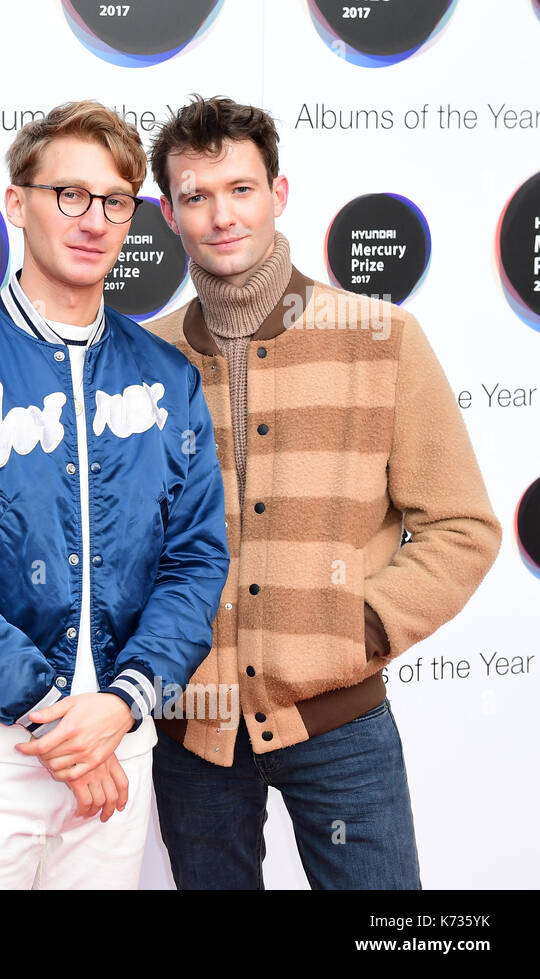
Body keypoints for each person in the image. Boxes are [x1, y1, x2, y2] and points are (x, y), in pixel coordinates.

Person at [145, 95, 502, 889]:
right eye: (196, 196)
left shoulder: (380, 338)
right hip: (193, 731)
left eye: (240, 188)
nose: (221, 215)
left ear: (278, 194)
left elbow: (462, 526)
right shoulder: (146, 356)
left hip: (341, 721)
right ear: (170, 214)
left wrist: (362, 625)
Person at [0, 101, 228, 889]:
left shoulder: (167, 377)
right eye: (68, 193)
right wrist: (52, 710)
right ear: (15, 202)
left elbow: (196, 560)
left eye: (114, 201)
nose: (92, 219)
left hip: (119, 739)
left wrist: (119, 706)